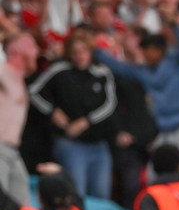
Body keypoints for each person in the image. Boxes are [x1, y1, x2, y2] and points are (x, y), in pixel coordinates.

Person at [94, 22, 179, 186]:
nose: (145, 55)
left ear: (158, 50)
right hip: (164, 133)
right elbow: (118, 67)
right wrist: (95, 50)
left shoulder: (175, 62)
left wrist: (174, 25)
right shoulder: (143, 72)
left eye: (147, 51)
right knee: (154, 178)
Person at [29, 32, 117, 199]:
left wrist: (87, 121)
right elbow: (34, 91)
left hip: (98, 143)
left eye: (84, 51)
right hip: (70, 143)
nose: (80, 56)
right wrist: (52, 111)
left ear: (90, 52)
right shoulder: (60, 69)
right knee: (77, 193)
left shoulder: (101, 72)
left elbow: (110, 103)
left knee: (101, 195)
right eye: (75, 52)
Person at [0, 33, 40, 210]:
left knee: (23, 209)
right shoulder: (3, 73)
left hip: (13, 151)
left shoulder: (20, 79)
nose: (36, 51)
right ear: (16, 50)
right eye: (31, 46)